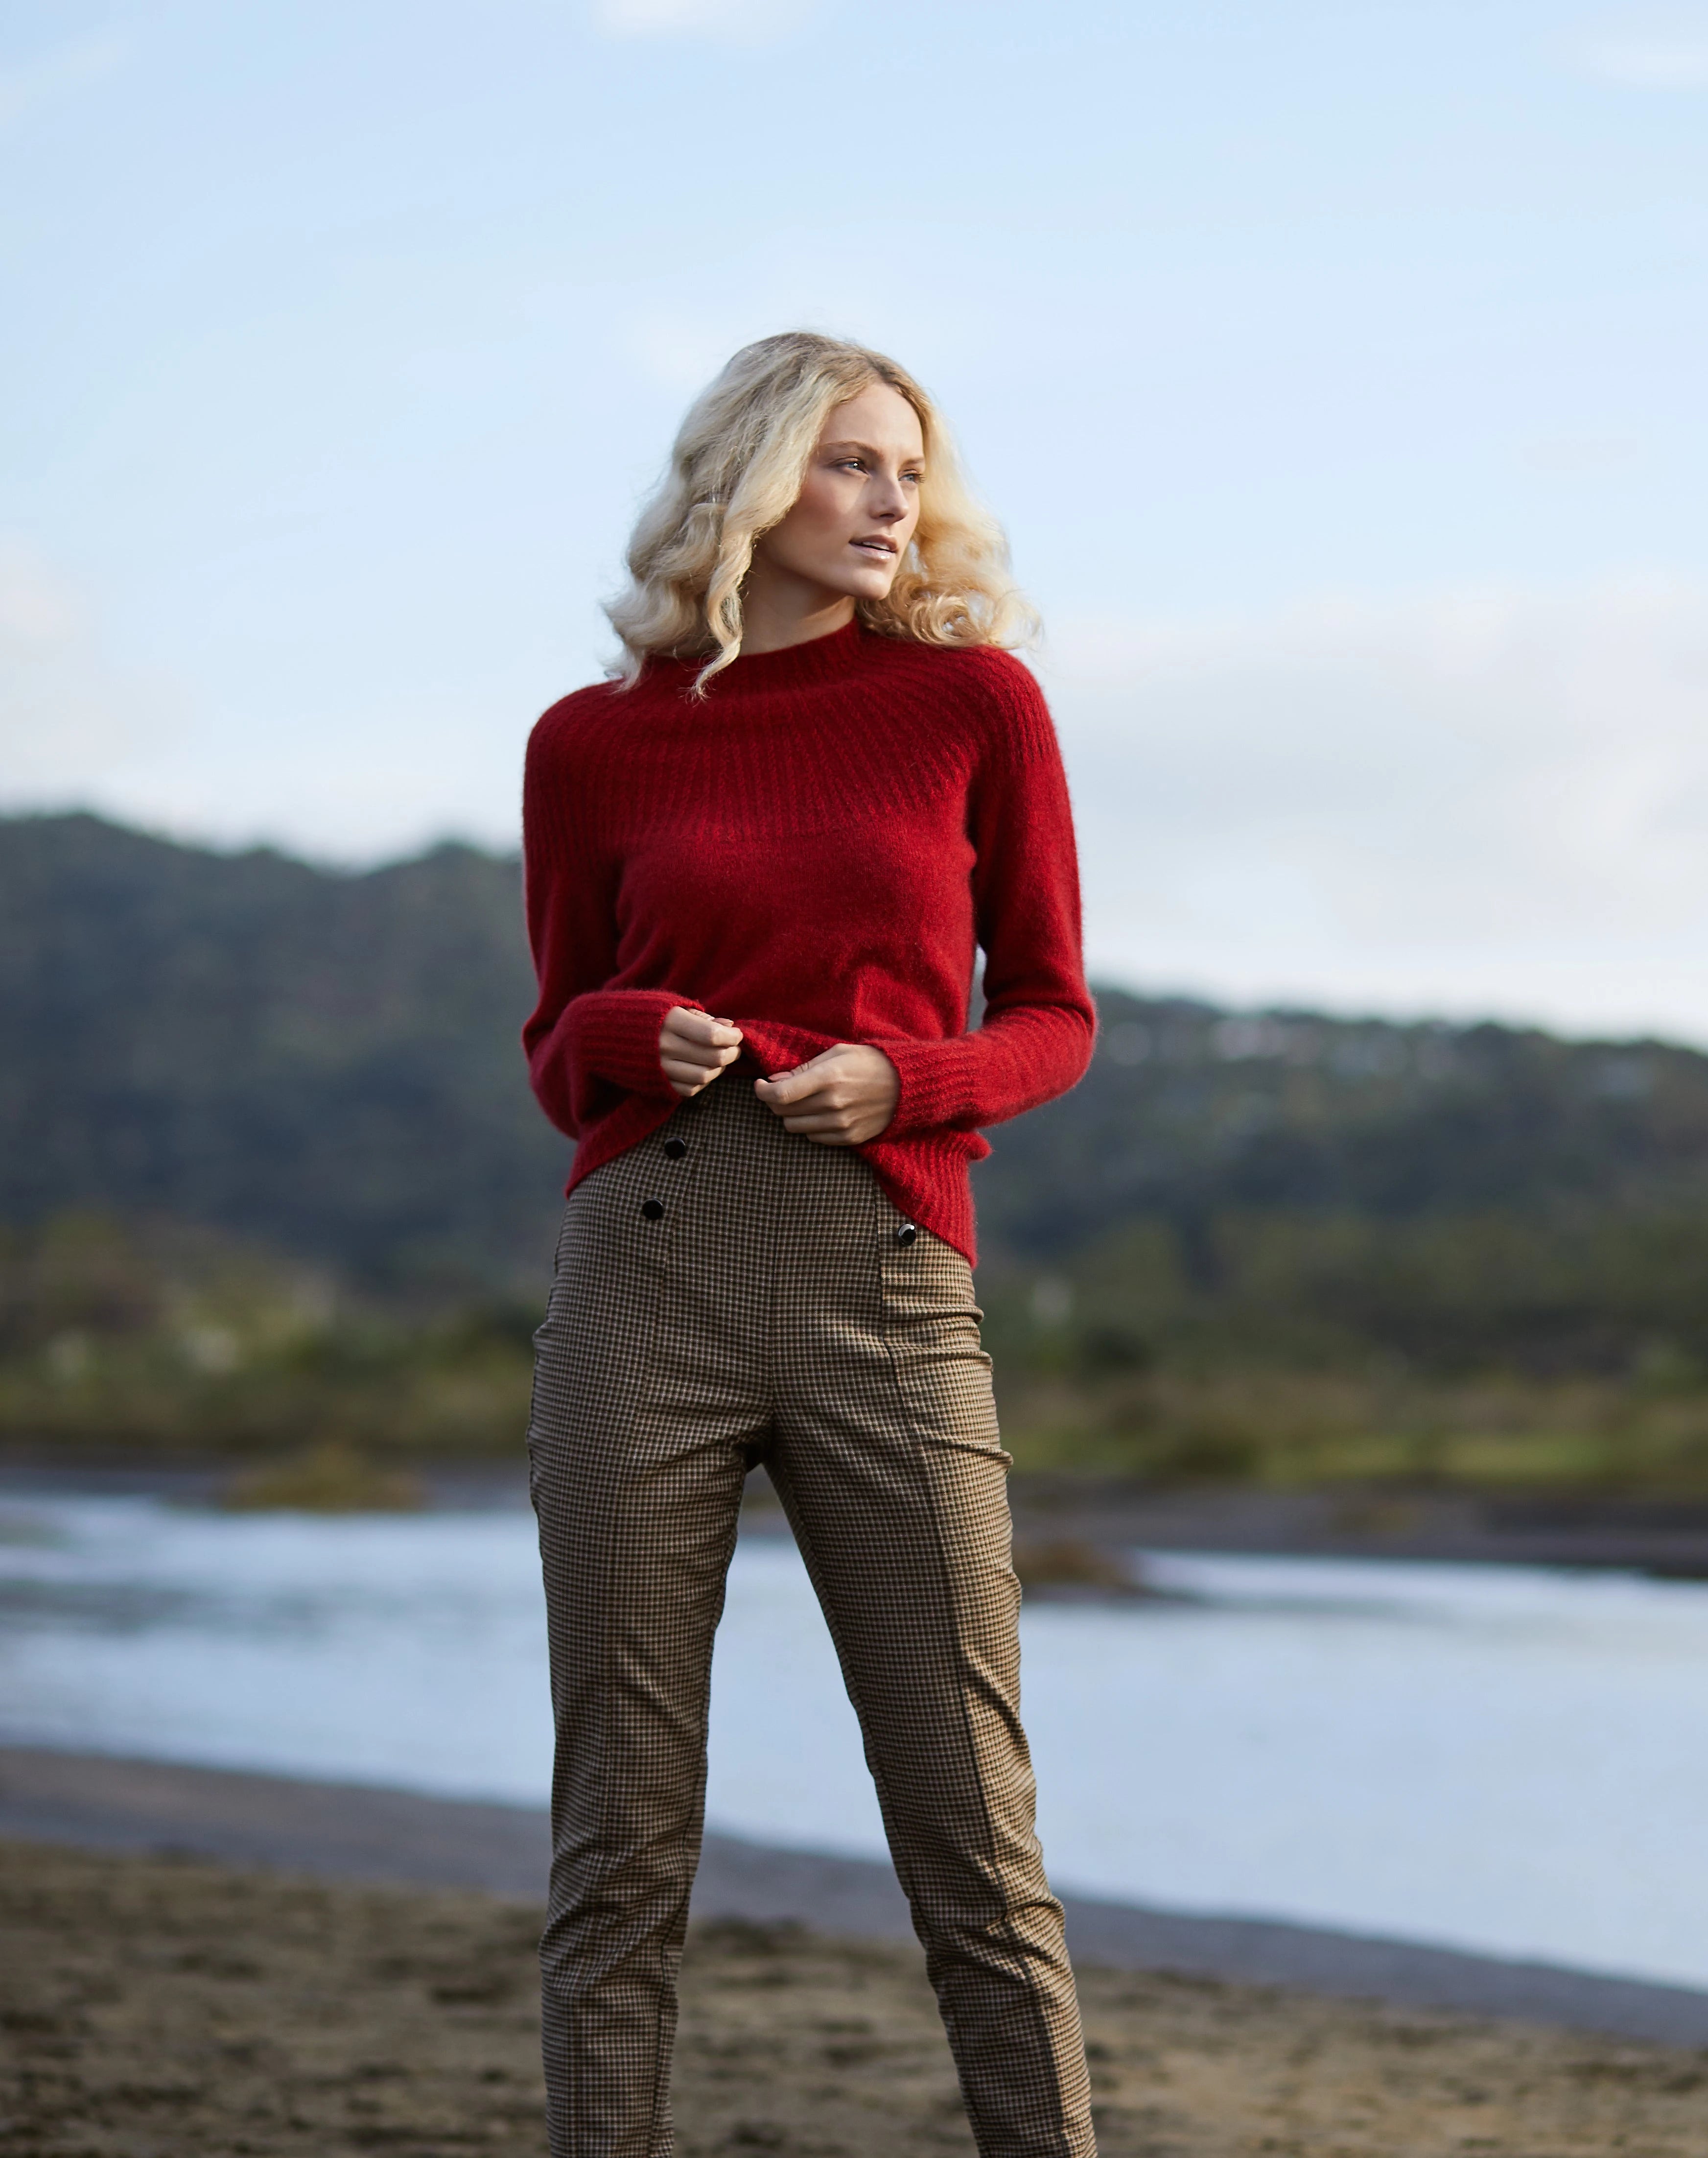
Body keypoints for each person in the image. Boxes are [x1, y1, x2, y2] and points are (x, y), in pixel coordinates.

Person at [519, 331, 1098, 2158]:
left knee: (972, 1832)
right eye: (854, 465)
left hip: (887, 1278)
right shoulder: (591, 744)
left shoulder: (974, 705)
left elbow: (1059, 1014)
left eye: (910, 472)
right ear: (754, 485)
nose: (892, 503)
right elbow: (552, 1049)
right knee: (622, 1836)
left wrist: (908, 1079)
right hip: (645, 1276)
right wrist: (627, 1033)